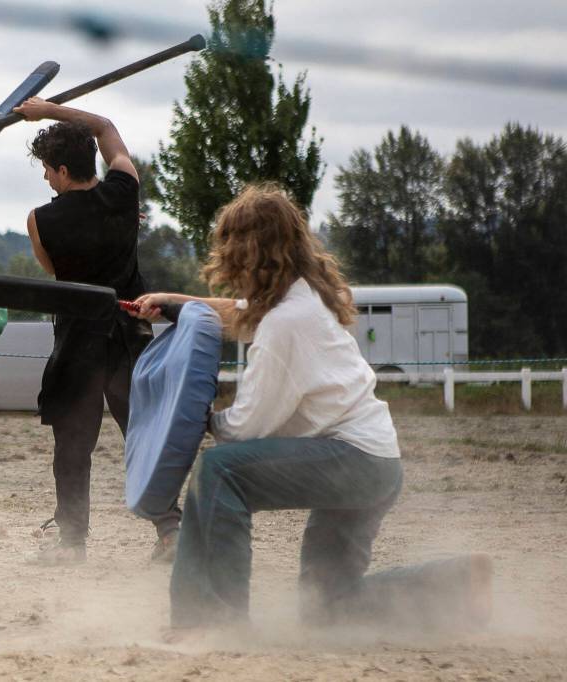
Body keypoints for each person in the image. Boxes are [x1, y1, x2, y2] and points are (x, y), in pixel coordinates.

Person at [131, 184, 491, 631]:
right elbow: (238, 312)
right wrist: (176, 305)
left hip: (353, 460)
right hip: (376, 463)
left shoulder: (286, 322)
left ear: (248, 253)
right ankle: (457, 584)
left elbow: (246, 428)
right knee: (328, 607)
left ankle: (211, 622)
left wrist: (202, 420)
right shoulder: (300, 297)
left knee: (220, 470)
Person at [12, 96, 181, 565]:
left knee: (72, 447)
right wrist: (49, 111)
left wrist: (43, 113)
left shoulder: (40, 220)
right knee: (143, 437)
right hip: (130, 336)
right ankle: (170, 531)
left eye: (48, 169)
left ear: (62, 171)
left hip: (78, 343)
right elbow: (105, 126)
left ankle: (71, 544)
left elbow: (54, 272)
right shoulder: (125, 190)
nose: (46, 178)